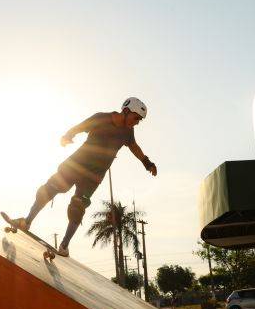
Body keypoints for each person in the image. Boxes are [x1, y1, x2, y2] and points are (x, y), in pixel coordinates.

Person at [9, 97, 157, 257]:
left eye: (139, 121)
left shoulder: (128, 132)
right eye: (136, 118)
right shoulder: (101, 118)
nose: (137, 123)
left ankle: (64, 245)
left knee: (78, 207)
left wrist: (147, 162)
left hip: (94, 176)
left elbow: (134, 146)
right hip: (76, 165)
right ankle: (27, 221)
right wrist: (68, 135)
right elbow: (81, 126)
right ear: (126, 111)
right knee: (49, 189)